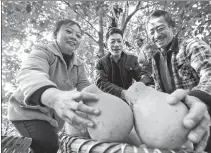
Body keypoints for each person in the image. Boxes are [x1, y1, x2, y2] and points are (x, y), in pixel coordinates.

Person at [8, 19, 100, 153]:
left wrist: (107, 103)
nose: (74, 36)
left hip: (51, 119)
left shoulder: (78, 65)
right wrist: (55, 97)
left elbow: (86, 89)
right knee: (48, 145)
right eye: (68, 31)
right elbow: (31, 72)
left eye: (78, 35)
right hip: (25, 112)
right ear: (56, 34)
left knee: (51, 144)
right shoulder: (43, 51)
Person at [137, 10, 211, 152]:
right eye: (151, 31)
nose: (156, 35)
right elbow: (161, 93)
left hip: (204, 119)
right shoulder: (156, 60)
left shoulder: (191, 46)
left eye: (160, 28)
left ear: (172, 27)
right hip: (179, 128)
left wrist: (198, 100)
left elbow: (209, 72)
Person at [95, 27, 153, 102]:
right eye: (112, 42)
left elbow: (143, 75)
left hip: (130, 101)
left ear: (123, 43)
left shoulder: (132, 59)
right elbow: (101, 83)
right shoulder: (101, 63)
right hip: (108, 102)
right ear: (106, 45)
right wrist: (123, 93)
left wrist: (137, 87)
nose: (116, 44)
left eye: (119, 41)